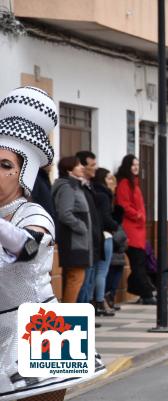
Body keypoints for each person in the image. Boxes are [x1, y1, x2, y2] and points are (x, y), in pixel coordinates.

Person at [0, 86, 105, 400]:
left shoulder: (33, 213)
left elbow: (28, 247)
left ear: (23, 173)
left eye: (5, 165)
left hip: (40, 324)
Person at [52, 156, 94, 303]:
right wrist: (81, 226)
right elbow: (64, 213)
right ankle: (67, 320)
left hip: (78, 241)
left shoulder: (74, 185)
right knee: (75, 279)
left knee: (75, 279)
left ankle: (68, 318)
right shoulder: (67, 187)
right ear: (69, 169)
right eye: (78, 165)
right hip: (73, 241)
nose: (82, 167)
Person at [115, 154, 155, 304]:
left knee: (139, 263)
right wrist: (138, 215)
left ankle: (140, 290)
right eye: (133, 165)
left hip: (138, 229)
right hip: (131, 229)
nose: (136, 167)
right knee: (138, 263)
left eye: (137, 164)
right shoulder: (125, 183)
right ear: (127, 166)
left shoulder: (134, 183)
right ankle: (146, 293)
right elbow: (124, 204)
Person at [75, 151, 105, 305]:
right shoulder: (75, 187)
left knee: (90, 280)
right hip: (83, 242)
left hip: (94, 241)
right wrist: (83, 229)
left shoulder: (89, 187)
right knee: (82, 282)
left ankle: (87, 313)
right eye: (92, 165)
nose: (95, 168)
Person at [91, 167, 121, 315]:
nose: (112, 182)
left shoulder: (93, 192)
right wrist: (115, 226)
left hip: (96, 235)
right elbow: (105, 217)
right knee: (102, 271)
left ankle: (96, 302)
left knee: (95, 271)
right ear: (101, 179)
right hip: (105, 235)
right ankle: (100, 302)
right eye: (109, 178)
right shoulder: (103, 195)